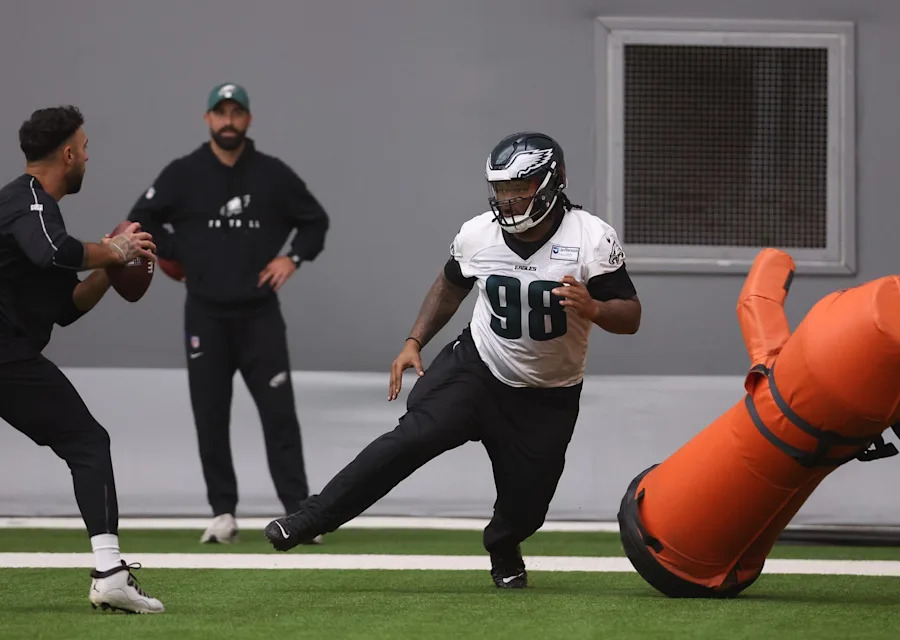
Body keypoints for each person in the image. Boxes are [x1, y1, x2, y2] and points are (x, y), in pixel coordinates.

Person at [264, 132, 642, 588]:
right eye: (502, 191)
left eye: (520, 189)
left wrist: (595, 308)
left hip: (548, 395)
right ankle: (312, 518)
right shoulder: (478, 233)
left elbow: (631, 315)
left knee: (527, 509)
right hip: (479, 370)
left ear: (552, 182)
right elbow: (449, 285)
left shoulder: (591, 238)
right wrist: (414, 339)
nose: (510, 201)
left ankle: (503, 546)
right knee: (410, 439)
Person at [127, 83, 330, 544]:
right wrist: (182, 254)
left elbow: (315, 220)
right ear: (207, 119)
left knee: (280, 416)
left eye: (237, 112)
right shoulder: (183, 173)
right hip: (205, 316)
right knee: (210, 415)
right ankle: (222, 513)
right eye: (221, 113)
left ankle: (299, 513)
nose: (229, 121)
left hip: (260, 316)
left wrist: (291, 258)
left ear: (249, 119)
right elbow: (141, 221)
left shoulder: (273, 175)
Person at [0, 106, 164, 613]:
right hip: (5, 355)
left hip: (11, 355)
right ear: (68, 154)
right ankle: (111, 572)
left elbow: (63, 307)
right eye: (86, 147)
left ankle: (111, 573)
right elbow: (57, 251)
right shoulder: (26, 203)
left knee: (85, 441)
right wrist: (113, 248)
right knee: (87, 441)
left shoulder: (39, 214)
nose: (89, 157)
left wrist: (112, 271)